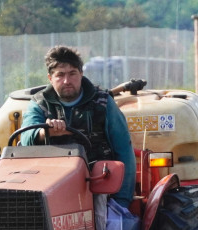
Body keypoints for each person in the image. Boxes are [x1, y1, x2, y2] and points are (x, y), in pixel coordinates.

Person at [20, 46, 136, 209]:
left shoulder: (103, 103)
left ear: (81, 73)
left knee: (112, 223)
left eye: (72, 73)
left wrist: (121, 202)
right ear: (50, 78)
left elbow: (124, 150)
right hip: (49, 188)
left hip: (97, 187)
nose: (66, 81)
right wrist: (44, 132)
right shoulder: (39, 104)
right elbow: (25, 138)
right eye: (60, 75)